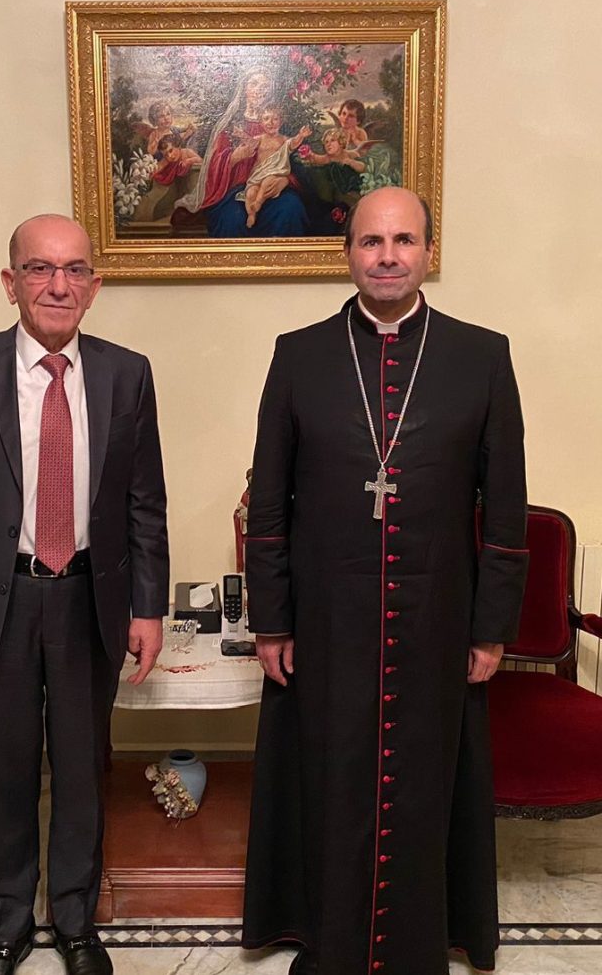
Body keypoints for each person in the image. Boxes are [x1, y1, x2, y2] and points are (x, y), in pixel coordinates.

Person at [241, 187, 528, 975]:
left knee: (427, 781)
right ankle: (328, 941)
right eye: (371, 241)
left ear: (429, 252)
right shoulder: (299, 355)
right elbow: (268, 502)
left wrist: (491, 627)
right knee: (331, 779)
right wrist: (272, 620)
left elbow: (505, 506)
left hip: (438, 616)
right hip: (327, 620)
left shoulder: (482, 354)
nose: (388, 256)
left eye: (404, 240)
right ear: (348, 255)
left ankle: (419, 946)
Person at [0, 214, 169, 975]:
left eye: (75, 269)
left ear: (95, 285)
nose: (59, 284)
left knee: (83, 770)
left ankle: (76, 923)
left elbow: (144, 501)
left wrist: (148, 605)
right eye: (40, 269)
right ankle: (8, 924)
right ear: (10, 282)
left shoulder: (126, 373)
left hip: (89, 599)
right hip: (1, 601)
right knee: (10, 771)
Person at [173, 67, 309, 237]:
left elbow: (291, 161)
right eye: (254, 84)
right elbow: (213, 165)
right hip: (235, 191)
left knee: (291, 208)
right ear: (244, 88)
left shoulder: (276, 123)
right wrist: (235, 157)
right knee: (233, 218)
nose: (259, 90)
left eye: (265, 86)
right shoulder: (231, 125)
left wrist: (284, 180)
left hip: (272, 186)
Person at [233, 106, 311, 228]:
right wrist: (240, 134)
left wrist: (301, 135)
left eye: (275, 119)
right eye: (266, 119)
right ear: (261, 122)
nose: (270, 122)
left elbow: (293, 143)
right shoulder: (260, 139)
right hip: (257, 175)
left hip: (273, 174)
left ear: (281, 121)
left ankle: (258, 202)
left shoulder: (283, 140)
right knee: (250, 193)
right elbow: (250, 142)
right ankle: (251, 214)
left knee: (267, 182)